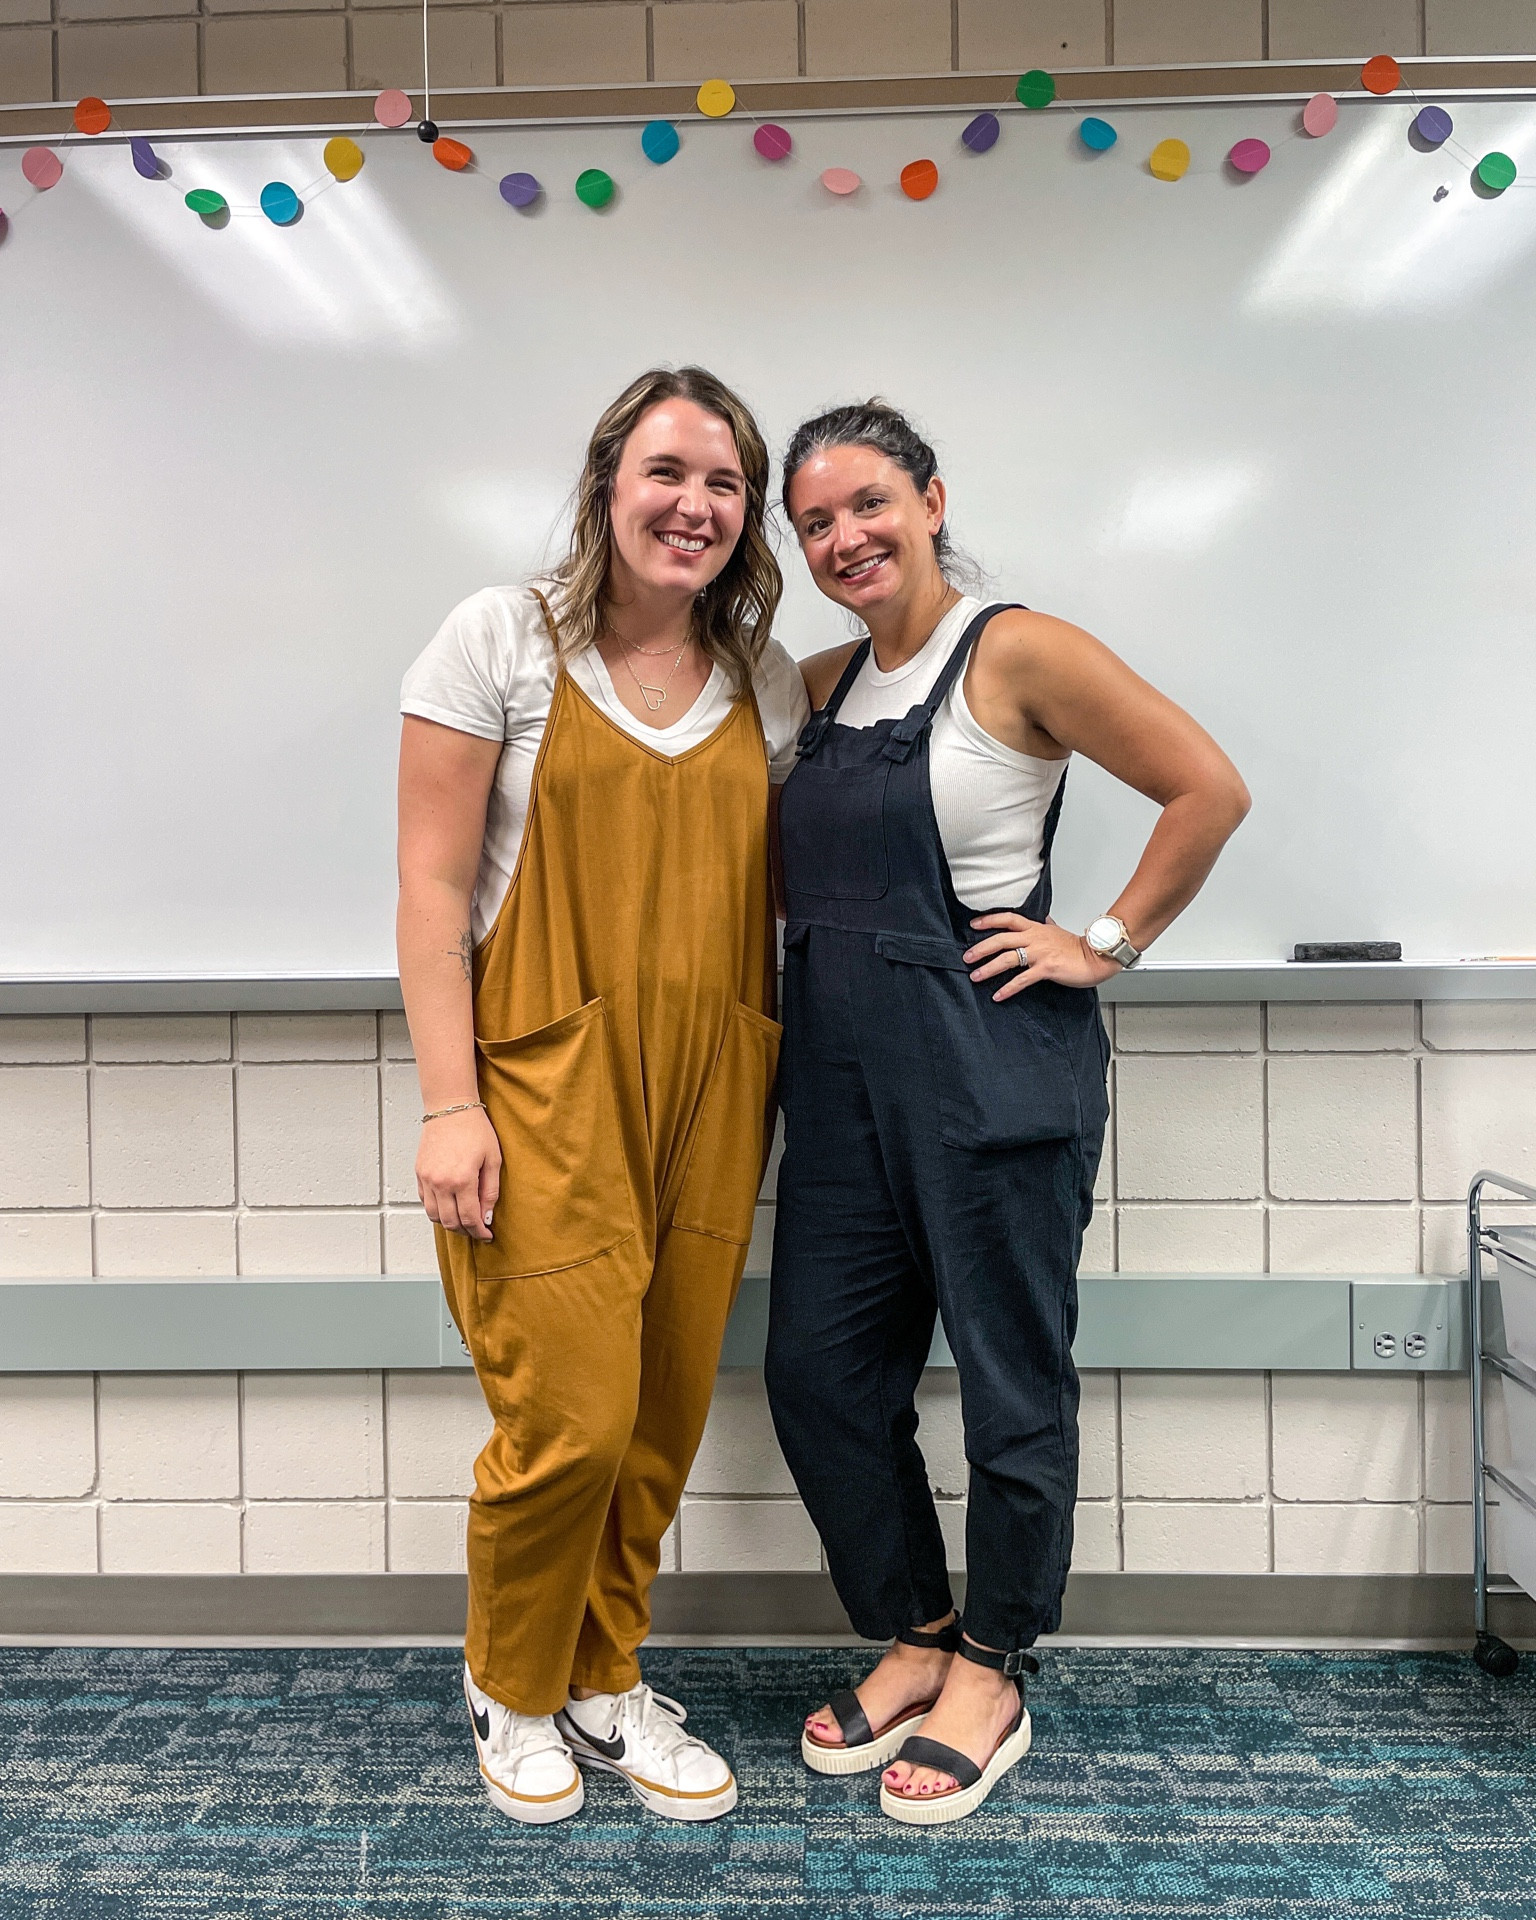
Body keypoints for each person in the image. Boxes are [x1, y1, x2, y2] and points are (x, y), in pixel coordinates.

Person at [764, 400, 1250, 1826]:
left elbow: (1207, 789)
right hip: (839, 1076)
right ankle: (916, 1629)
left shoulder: (1017, 651)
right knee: (818, 1375)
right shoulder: (818, 684)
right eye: (815, 523)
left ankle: (994, 1664)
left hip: (988, 1061)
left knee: (1008, 1382)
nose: (846, 538)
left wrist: (1103, 941)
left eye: (869, 503)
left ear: (930, 500)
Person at [396, 367, 808, 1826]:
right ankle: (510, 1682)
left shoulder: (766, 680)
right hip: (540, 1088)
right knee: (568, 1417)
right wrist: (450, 1106)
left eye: (725, 483)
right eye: (666, 472)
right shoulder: (500, 639)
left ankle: (601, 1673)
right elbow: (431, 890)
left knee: (659, 1416)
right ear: (606, 484)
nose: (695, 505)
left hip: (711, 1086)